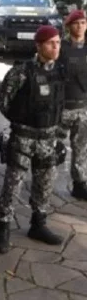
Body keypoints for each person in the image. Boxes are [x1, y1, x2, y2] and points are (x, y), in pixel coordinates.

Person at [0, 25, 64, 254]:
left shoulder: (59, 71)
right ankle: (3, 226)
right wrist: (22, 119)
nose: (56, 47)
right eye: (51, 43)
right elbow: (3, 102)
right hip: (24, 137)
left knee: (45, 184)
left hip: (48, 138)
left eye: (58, 43)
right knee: (13, 184)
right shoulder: (21, 72)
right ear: (39, 45)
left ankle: (38, 223)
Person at [59, 10, 87, 200]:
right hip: (62, 108)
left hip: (83, 107)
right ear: (68, 26)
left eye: (83, 22)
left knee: (81, 148)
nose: (80, 26)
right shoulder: (59, 47)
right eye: (76, 23)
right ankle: (43, 184)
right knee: (53, 148)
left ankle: (79, 183)